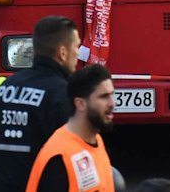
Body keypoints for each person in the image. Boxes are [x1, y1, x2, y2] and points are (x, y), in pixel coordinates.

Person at [0, 16, 77, 192]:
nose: (78, 53)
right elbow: (71, 156)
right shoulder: (63, 95)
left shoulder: (3, 90)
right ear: (62, 53)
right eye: (76, 47)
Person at [22, 64, 117, 192]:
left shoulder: (97, 141)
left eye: (112, 95)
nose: (112, 103)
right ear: (80, 104)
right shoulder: (59, 157)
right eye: (104, 96)